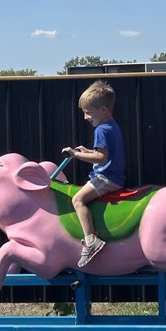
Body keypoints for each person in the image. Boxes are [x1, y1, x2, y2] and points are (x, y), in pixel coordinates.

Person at [61, 79, 127, 268]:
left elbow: (101, 158)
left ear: (103, 110)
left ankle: (91, 241)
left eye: (88, 112)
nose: (85, 117)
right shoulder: (112, 126)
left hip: (106, 178)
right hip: (113, 176)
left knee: (77, 200)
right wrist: (87, 151)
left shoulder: (101, 130)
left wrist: (75, 155)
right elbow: (106, 154)